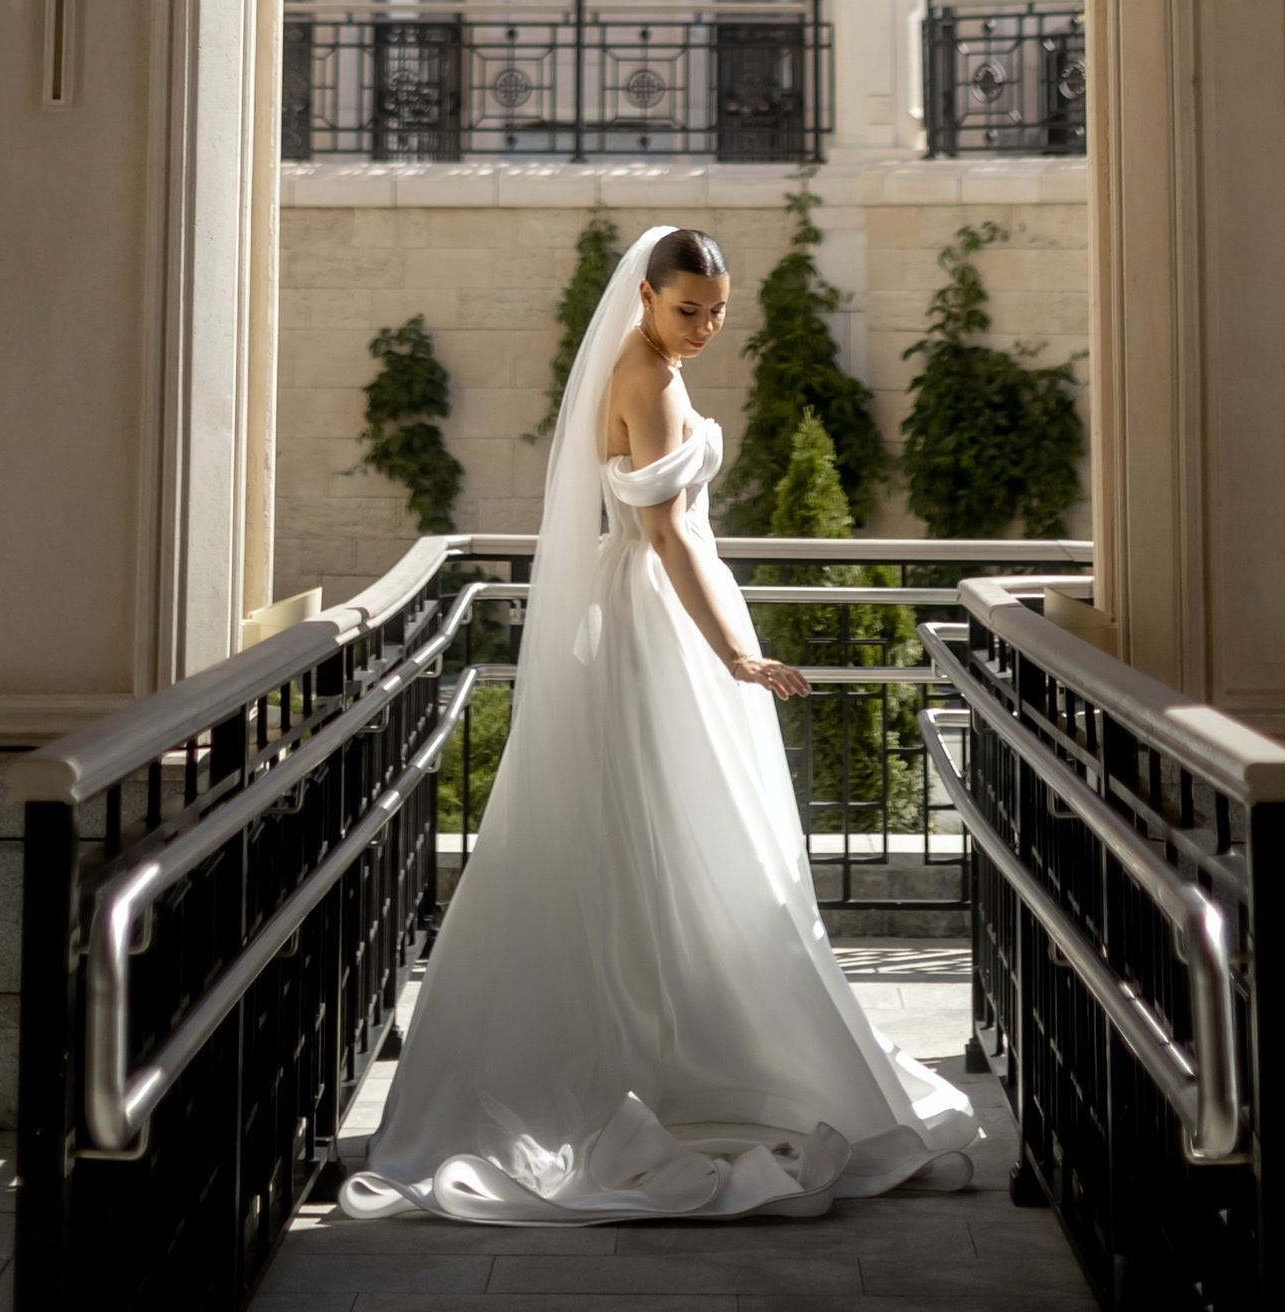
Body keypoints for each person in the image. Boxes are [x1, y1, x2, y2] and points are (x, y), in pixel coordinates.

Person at [340, 221, 981, 1222]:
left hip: (651, 612)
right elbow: (670, 533)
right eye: (688, 310)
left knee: (671, 834)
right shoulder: (641, 376)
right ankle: (660, 1053)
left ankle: (678, 1043)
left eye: (720, 313)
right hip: (660, 619)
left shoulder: (649, 364)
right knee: (676, 826)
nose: (704, 329)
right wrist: (733, 652)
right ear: (644, 295)